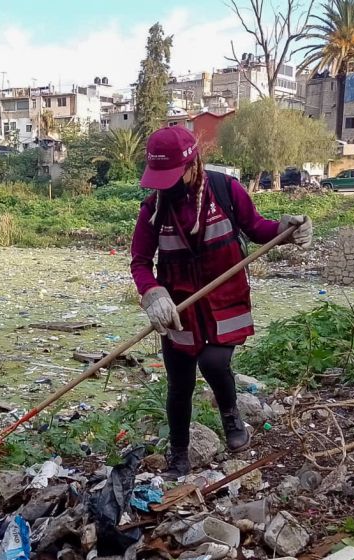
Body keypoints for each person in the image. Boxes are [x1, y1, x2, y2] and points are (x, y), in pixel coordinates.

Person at [130, 126, 312, 477]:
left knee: (214, 363)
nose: (164, 185)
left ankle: (231, 416)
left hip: (224, 299)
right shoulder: (153, 208)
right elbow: (140, 260)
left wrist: (284, 230)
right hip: (179, 309)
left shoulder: (226, 190)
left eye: (172, 175)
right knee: (179, 382)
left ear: (192, 163)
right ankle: (179, 454)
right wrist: (152, 293)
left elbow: (256, 227)